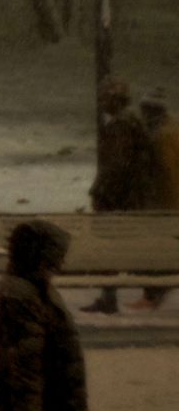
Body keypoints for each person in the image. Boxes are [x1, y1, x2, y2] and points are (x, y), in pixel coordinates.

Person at [0, 220, 87, 411]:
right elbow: (25, 371)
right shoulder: (21, 297)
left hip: (48, 406)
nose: (60, 263)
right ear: (40, 256)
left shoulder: (38, 289)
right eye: (56, 257)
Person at [83, 76, 154, 314]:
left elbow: (116, 166)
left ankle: (110, 296)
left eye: (105, 98)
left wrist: (100, 191)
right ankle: (112, 295)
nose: (101, 103)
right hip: (132, 200)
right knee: (120, 248)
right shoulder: (133, 124)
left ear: (115, 101)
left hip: (118, 202)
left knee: (109, 248)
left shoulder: (120, 127)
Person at [133, 90, 179, 310]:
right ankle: (153, 293)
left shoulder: (161, 136)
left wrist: (164, 207)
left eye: (144, 109)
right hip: (167, 203)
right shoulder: (171, 129)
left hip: (165, 205)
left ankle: (152, 295)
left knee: (154, 251)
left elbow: (168, 174)